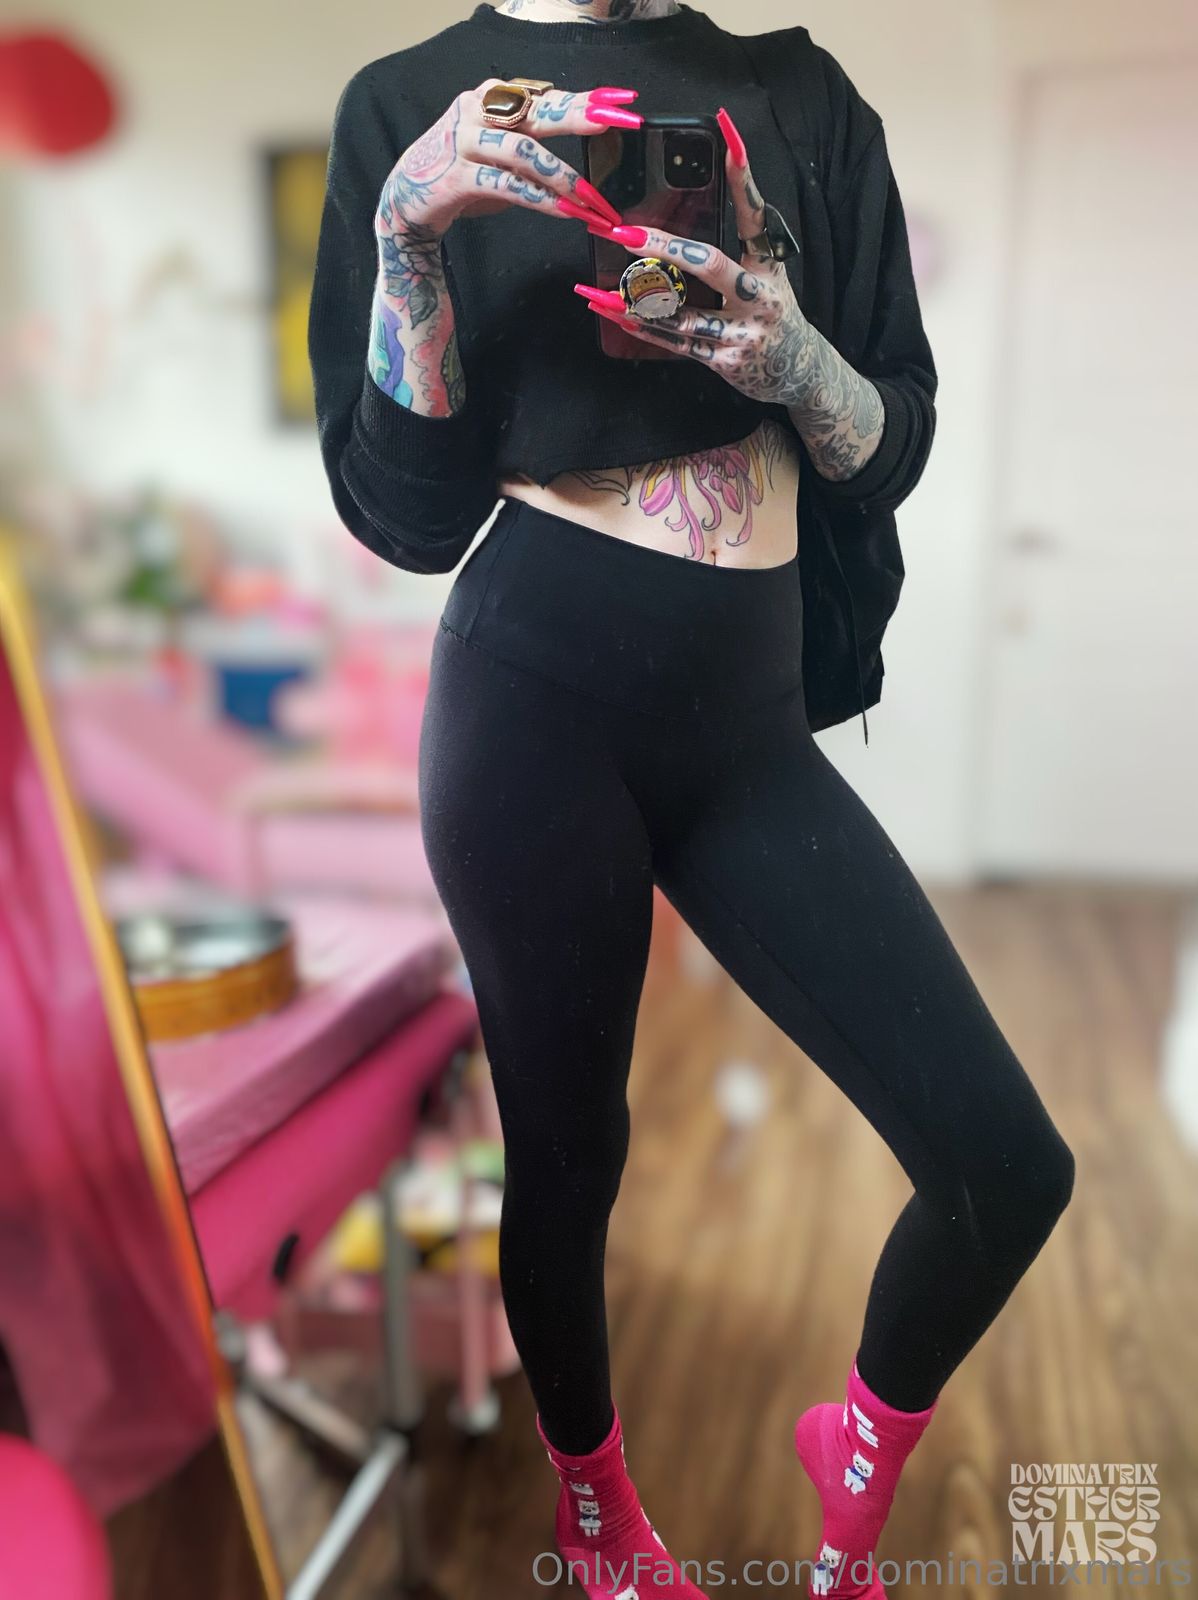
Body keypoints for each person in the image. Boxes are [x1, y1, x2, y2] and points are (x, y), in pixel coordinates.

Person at [309, 4, 1076, 1596]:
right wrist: (407, 240)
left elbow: (889, 441)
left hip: (750, 731)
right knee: (569, 1153)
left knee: (1006, 1164)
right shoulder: (409, 104)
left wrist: (793, 359)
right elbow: (405, 516)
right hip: (531, 707)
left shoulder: (798, 96)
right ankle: (594, 1517)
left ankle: (853, 1453)